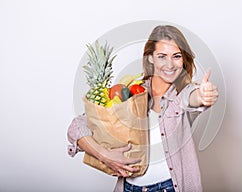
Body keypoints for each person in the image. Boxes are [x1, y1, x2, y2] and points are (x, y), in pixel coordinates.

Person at [67, 25, 219, 192]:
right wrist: (104, 154)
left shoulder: (182, 94)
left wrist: (203, 95)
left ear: (183, 60)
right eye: (162, 56)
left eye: (176, 56)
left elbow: (193, 98)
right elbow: (77, 126)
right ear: (150, 58)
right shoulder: (131, 92)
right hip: (129, 188)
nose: (170, 64)